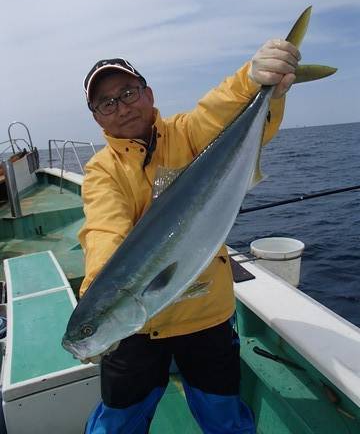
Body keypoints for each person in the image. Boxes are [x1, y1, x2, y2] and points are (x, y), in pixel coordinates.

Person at [79, 39, 300, 433]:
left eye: (128, 93)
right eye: (106, 103)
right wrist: (98, 301)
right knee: (116, 424)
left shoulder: (186, 133)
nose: (121, 106)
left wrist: (252, 80)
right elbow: (104, 231)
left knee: (223, 418)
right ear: (97, 118)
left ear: (148, 94)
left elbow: (218, 110)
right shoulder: (102, 171)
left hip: (205, 317)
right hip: (137, 330)